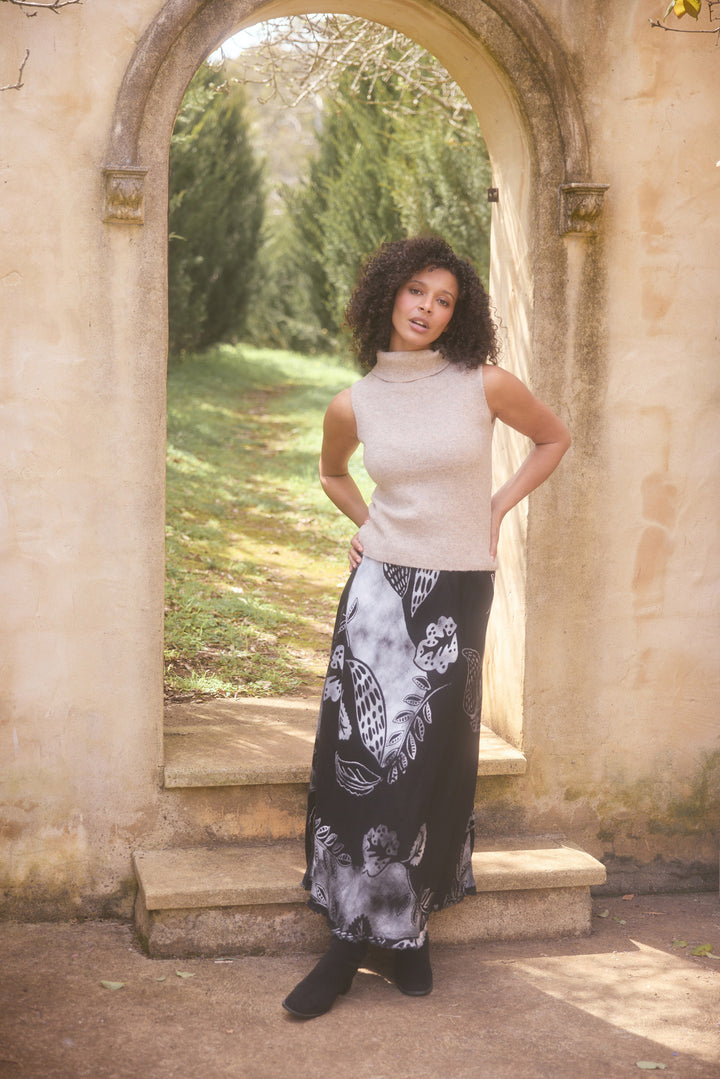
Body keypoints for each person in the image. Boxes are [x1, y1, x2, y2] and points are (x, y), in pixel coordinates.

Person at [282, 236, 570, 1019]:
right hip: (378, 593)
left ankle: (408, 930)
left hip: (458, 591)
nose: (427, 309)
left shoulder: (483, 383)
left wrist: (497, 505)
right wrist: (372, 524)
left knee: (433, 763)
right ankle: (347, 944)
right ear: (388, 294)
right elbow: (332, 471)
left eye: (444, 299)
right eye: (417, 292)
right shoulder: (355, 401)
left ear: (459, 312)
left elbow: (554, 439)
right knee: (365, 764)